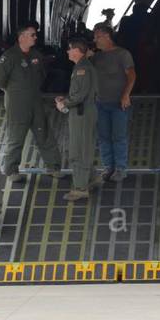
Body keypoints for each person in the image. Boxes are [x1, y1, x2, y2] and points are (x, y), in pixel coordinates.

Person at [0, 23, 62, 180]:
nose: (35, 37)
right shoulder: (9, 57)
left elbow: (42, 75)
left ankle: (54, 167)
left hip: (36, 101)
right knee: (16, 138)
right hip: (17, 105)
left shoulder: (36, 55)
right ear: (22, 37)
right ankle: (11, 171)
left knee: (44, 134)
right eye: (32, 35)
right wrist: (14, 92)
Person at [56, 37, 99, 202]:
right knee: (83, 146)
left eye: (69, 49)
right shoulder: (82, 67)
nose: (67, 51)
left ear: (76, 50)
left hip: (81, 114)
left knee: (78, 150)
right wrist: (66, 99)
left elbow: (80, 96)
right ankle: (92, 177)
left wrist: (64, 103)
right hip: (83, 112)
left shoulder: (82, 69)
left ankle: (80, 188)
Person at [91, 24, 136, 181]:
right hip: (100, 103)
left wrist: (126, 95)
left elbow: (131, 75)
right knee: (103, 137)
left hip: (118, 103)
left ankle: (121, 168)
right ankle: (108, 167)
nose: (94, 40)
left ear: (107, 36)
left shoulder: (123, 54)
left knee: (118, 136)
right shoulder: (96, 57)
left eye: (97, 37)